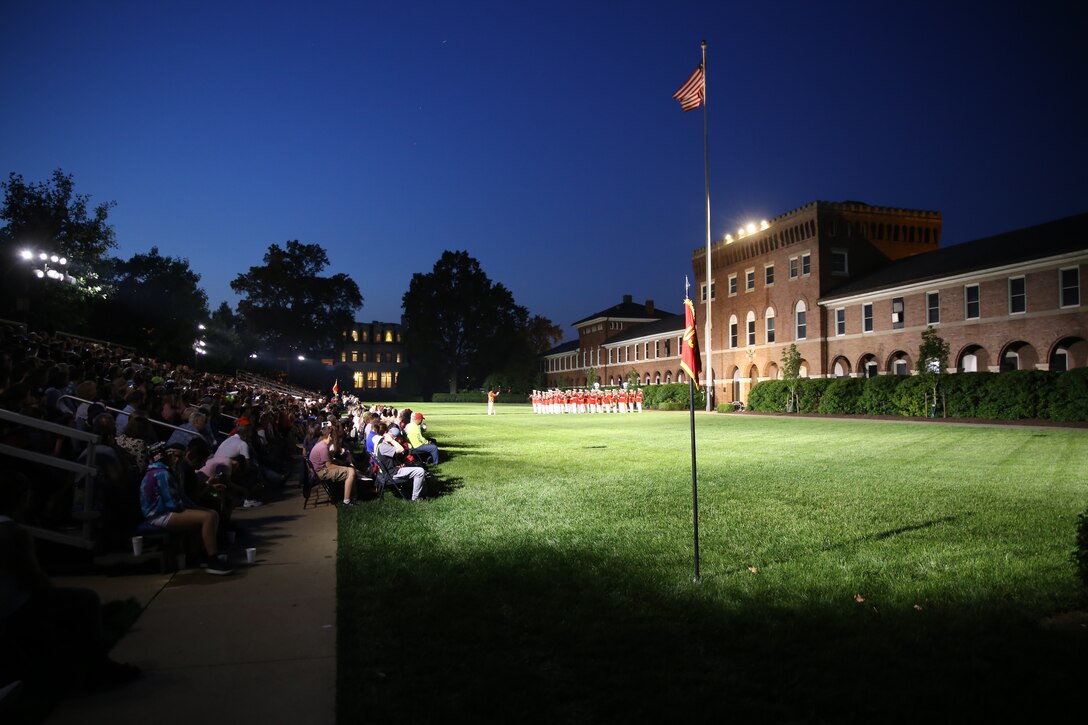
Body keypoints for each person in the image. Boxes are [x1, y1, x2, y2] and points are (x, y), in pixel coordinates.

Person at [0, 515, 141, 703]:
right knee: (86, 599)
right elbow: (36, 581)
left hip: (12, 613)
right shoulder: (11, 532)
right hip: (15, 614)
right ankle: (98, 669)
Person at [139, 442, 233, 575]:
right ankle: (212, 559)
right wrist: (190, 511)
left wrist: (195, 508)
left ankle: (203, 554)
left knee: (210, 513)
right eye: (172, 455)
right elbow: (172, 502)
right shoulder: (160, 473)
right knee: (208, 517)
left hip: (166, 510)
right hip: (159, 514)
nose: (176, 459)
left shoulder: (166, 471)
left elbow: (180, 497)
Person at [374, 424, 427, 500]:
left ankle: (420, 492)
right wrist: (392, 440)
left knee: (415, 467)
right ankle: (416, 498)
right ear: (394, 437)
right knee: (420, 471)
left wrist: (398, 464)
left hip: (389, 471)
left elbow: (389, 459)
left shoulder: (382, 443)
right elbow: (401, 449)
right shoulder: (384, 446)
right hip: (391, 474)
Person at [308, 424, 358, 506]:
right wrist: (344, 468)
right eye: (335, 436)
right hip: (322, 472)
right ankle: (347, 501)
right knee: (350, 472)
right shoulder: (323, 448)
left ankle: (353, 496)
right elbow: (329, 466)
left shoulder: (321, 444)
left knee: (349, 468)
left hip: (320, 470)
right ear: (330, 436)